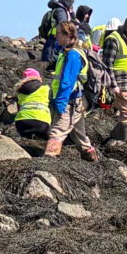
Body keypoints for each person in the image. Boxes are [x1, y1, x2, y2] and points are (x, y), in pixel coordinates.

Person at [43, 26, 95, 159]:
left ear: (68, 35)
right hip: (75, 100)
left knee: (56, 132)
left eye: (59, 34)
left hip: (71, 100)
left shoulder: (73, 55)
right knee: (79, 134)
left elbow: (67, 82)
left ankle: (48, 163)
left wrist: (60, 103)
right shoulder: (67, 52)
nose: (56, 36)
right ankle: (92, 157)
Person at [11, 66, 54, 149]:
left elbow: (18, 109)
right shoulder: (46, 89)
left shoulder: (20, 92)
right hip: (42, 123)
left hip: (21, 123)